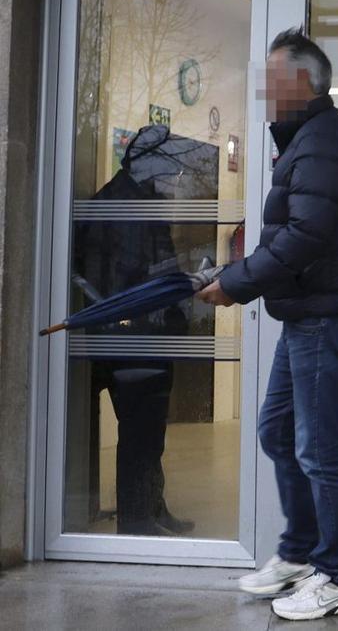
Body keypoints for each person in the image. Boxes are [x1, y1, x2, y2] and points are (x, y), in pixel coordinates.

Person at [199, 28, 338, 621]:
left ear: (302, 82)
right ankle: (303, 555)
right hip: (308, 313)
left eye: (272, 78)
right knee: (278, 433)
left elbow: (306, 235)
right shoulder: (306, 139)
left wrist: (235, 283)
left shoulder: (325, 140)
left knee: (320, 449)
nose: (264, 91)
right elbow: (294, 232)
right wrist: (240, 272)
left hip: (327, 318)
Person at [74, 124, 194, 537]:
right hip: (133, 338)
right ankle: (138, 522)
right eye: (170, 170)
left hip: (125, 335)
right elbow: (135, 277)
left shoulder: (126, 197)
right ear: (150, 164)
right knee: (141, 434)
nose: (174, 180)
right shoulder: (129, 207)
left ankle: (152, 509)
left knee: (146, 431)